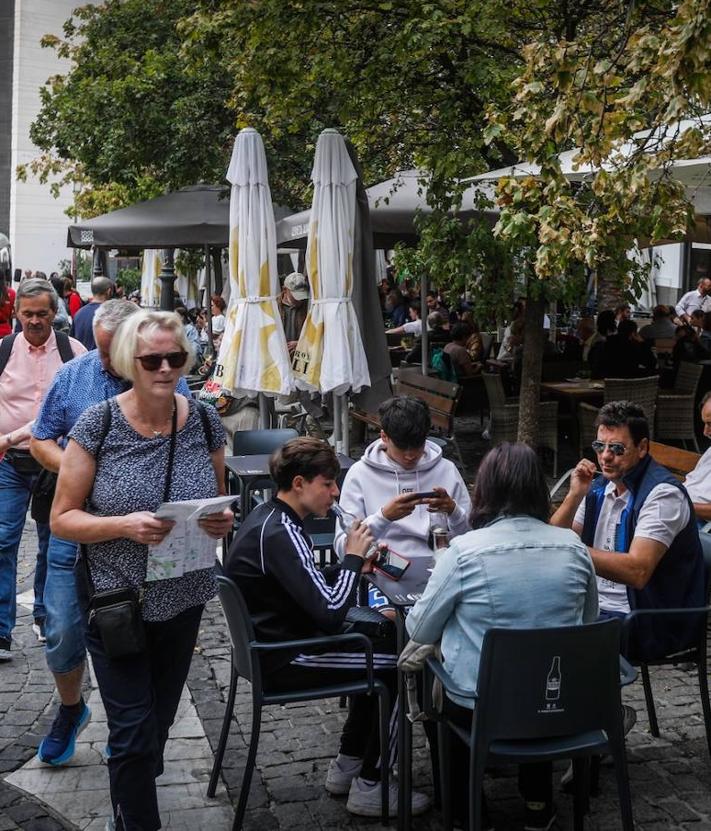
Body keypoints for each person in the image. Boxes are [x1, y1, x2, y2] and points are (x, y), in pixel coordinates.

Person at [51, 309, 233, 830]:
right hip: (118, 604)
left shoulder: (201, 417)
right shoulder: (99, 422)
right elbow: (62, 519)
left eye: (175, 357)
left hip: (184, 596)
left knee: (157, 724)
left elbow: (216, 498)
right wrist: (123, 525)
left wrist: (218, 522)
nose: (165, 368)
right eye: (152, 358)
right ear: (131, 360)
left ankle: (128, 797)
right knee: (131, 731)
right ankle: (136, 817)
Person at [223, 436, 429, 818]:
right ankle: (373, 783)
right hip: (287, 657)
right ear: (299, 483)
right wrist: (351, 559)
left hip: (275, 645)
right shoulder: (281, 532)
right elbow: (331, 612)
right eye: (328, 483)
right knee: (402, 666)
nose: (335, 493)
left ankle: (348, 764)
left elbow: (307, 583)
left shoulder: (272, 519)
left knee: (382, 649)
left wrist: (348, 568)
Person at [30, 300, 192, 766]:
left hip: (151, 545)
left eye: (112, 350)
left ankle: (134, 740)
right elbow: (41, 436)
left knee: (143, 643)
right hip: (79, 531)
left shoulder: (167, 381)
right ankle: (70, 708)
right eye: (101, 350)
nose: (105, 360)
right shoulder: (76, 376)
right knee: (62, 628)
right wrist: (81, 471)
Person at [405, 443, 598, 830]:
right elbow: (587, 623)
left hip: (483, 708)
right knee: (541, 667)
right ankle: (538, 802)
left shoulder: (463, 552)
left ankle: (463, 810)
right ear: (539, 491)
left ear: (484, 491)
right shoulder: (575, 549)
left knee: (439, 678)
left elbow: (419, 628)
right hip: (557, 705)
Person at [550, 401, 704, 664]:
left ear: (642, 448)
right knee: (528, 616)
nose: (605, 456)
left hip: (649, 620)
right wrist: (575, 495)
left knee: (555, 640)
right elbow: (552, 540)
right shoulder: (599, 487)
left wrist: (569, 549)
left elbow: (637, 571)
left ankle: (593, 705)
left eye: (617, 448)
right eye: (600, 447)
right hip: (602, 607)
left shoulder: (662, 495)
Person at [0, 279, 86, 660]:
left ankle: (45, 617)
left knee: (54, 542)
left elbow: (82, 411)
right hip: (11, 462)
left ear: (55, 313)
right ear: (17, 314)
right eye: (27, 313)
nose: (34, 321)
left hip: (57, 462)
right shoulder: (3, 351)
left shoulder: (74, 353)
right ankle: (1, 631)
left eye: (42, 313)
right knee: (3, 541)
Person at [334, 396, 471, 561]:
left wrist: (453, 511)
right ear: (384, 437)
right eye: (401, 447)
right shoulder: (360, 474)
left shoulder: (446, 469)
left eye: (417, 446)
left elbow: (472, 540)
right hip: (381, 569)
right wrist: (383, 517)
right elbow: (343, 550)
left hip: (439, 567)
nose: (410, 455)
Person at [679, 392, 711, 523]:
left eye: (710, 423)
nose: (705, 432)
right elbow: (692, 483)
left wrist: (679, 505)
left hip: (700, 525)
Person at [71, 276, 114, 350]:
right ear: (109, 291)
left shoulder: (78, 314)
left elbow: (72, 340)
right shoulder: (111, 314)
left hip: (81, 358)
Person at [280, 272, 309, 354]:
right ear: (285, 290)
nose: (300, 299)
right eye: (295, 295)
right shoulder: (274, 307)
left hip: (300, 356)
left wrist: (300, 343)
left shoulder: (307, 307)